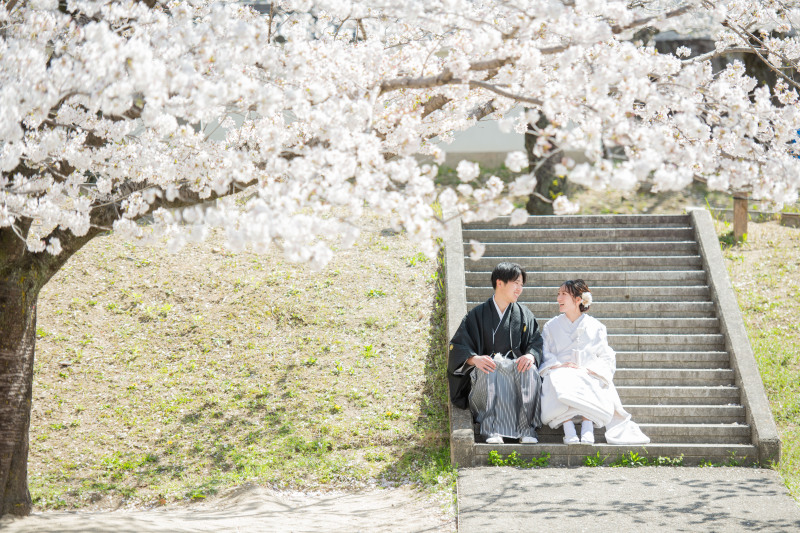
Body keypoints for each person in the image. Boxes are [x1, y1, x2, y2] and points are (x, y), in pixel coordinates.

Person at [540, 279, 650, 445]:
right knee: (558, 376)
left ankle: (587, 424)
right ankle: (567, 426)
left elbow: (606, 356)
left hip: (587, 370)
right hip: (560, 369)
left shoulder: (596, 326)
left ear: (578, 299)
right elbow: (545, 353)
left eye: (564, 294)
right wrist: (558, 365)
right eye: (558, 294)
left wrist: (589, 369)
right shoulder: (551, 326)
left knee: (587, 376)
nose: (559, 298)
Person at [447, 262, 543, 444]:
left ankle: (526, 430)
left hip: (516, 374)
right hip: (487, 376)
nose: (519, 289)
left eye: (522, 285)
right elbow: (459, 345)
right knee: (489, 366)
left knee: (529, 369)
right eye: (516, 283)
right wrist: (474, 359)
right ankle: (491, 429)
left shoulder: (524, 315)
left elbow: (536, 342)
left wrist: (530, 355)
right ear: (500, 283)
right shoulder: (476, 315)